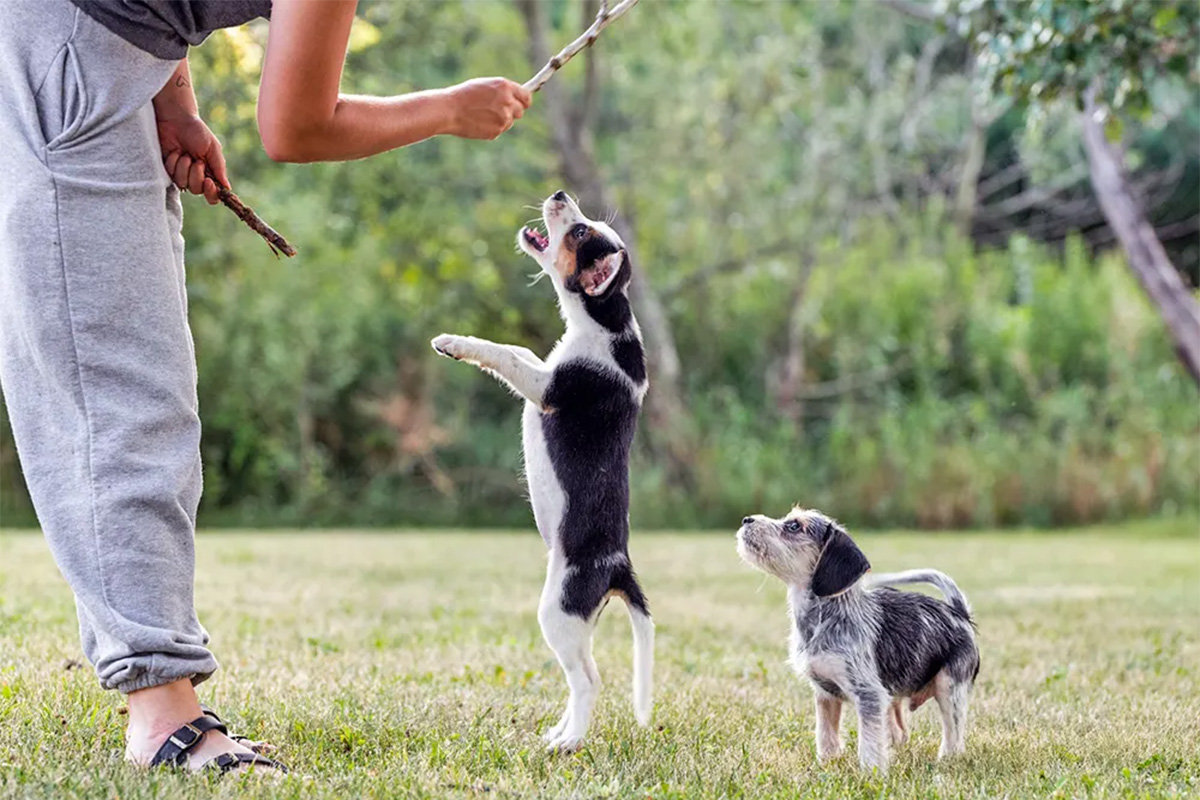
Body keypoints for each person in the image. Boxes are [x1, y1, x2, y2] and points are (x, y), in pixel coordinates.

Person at [0, 0, 531, 774]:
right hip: (65, 53)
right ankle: (159, 713)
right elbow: (296, 128)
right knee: (123, 387)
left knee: (122, 373)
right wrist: (451, 108)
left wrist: (171, 96)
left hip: (98, 51)